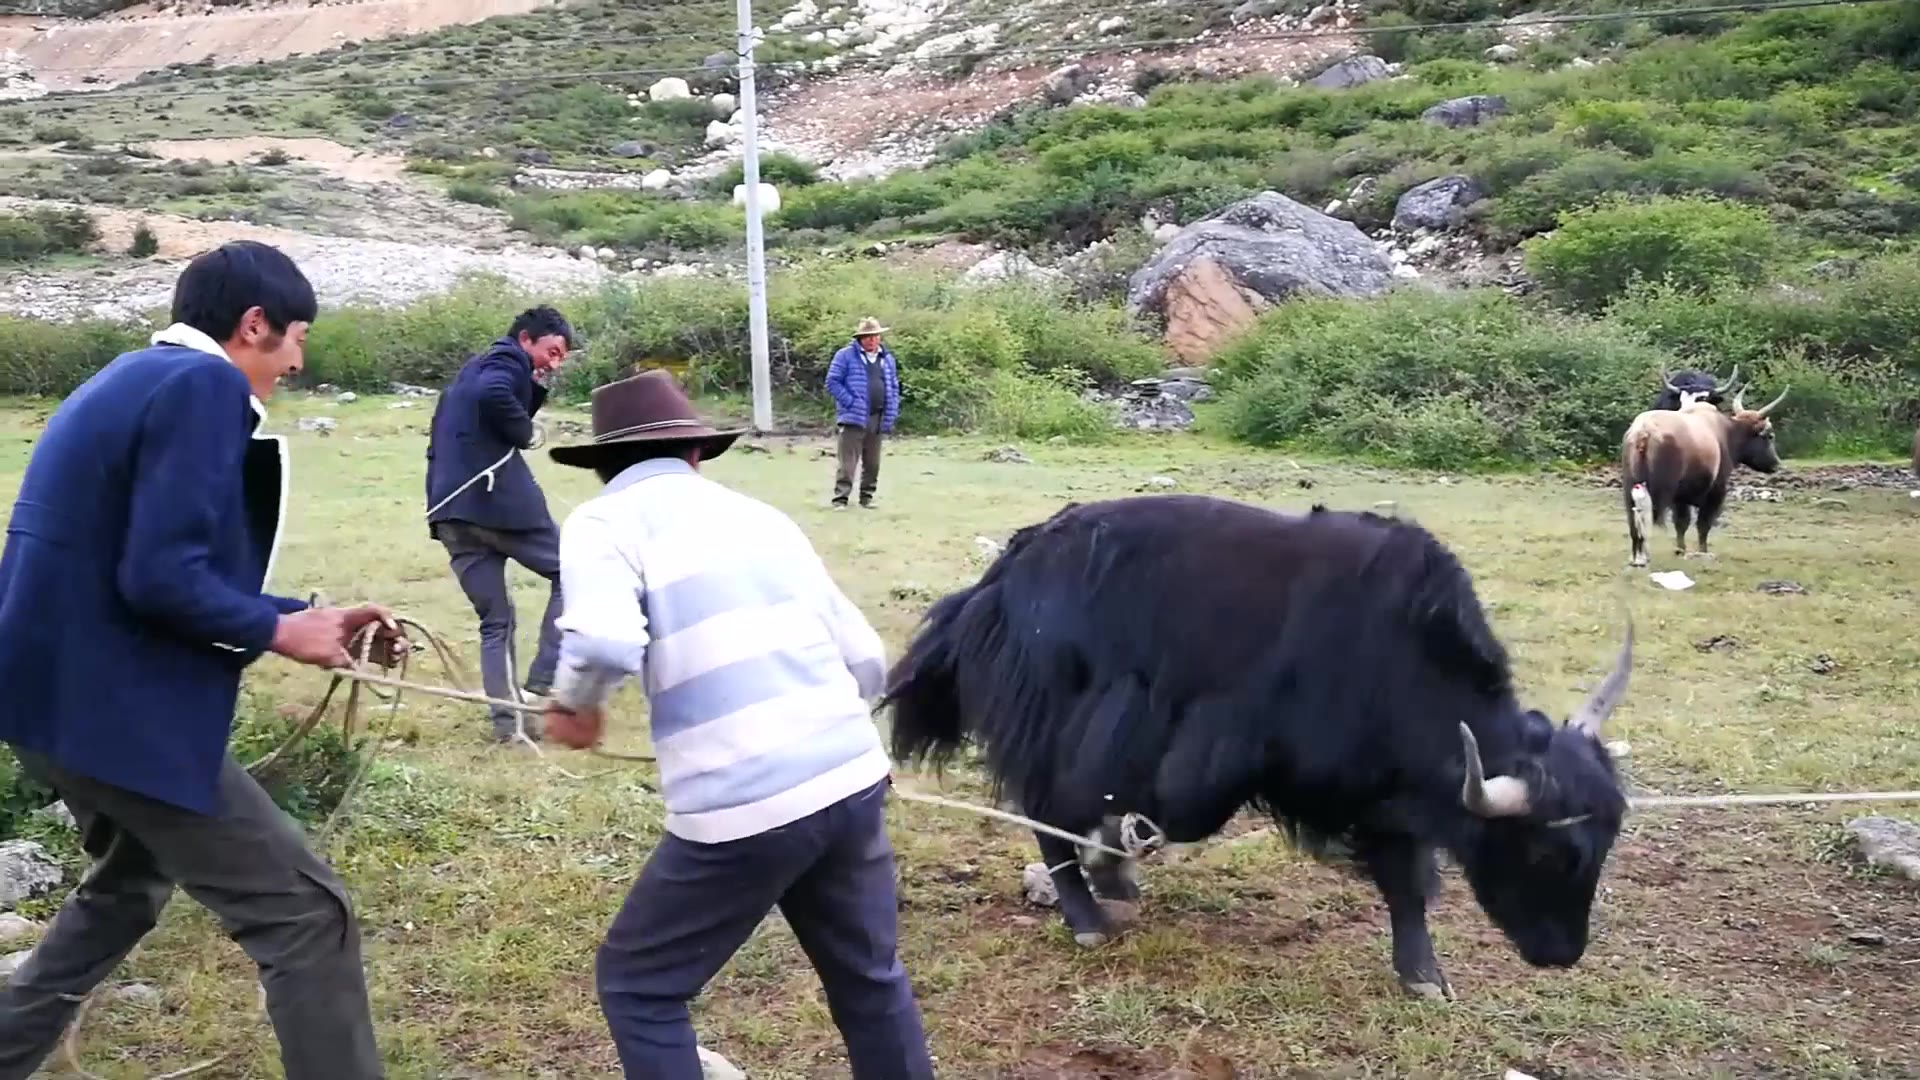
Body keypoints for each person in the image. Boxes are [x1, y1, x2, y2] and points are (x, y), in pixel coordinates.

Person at [0, 240, 402, 1080]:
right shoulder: (201, 385)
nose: (297, 359)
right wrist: (282, 633)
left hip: (56, 708)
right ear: (254, 324)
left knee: (123, 892)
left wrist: (303, 615)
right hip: (115, 716)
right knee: (306, 916)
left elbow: (142, 565)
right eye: (295, 336)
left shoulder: (130, 377)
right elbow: (160, 576)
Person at [539, 370, 935, 1080]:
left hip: (743, 804)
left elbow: (601, 643)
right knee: (869, 980)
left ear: (601, 465)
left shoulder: (601, 522)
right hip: (848, 777)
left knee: (639, 985)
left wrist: (576, 707)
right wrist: (847, 743)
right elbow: (866, 656)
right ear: (694, 453)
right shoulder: (760, 516)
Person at [424, 306, 573, 744]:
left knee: (496, 621)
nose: (555, 362)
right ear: (526, 339)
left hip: (451, 513)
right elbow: (496, 394)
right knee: (574, 574)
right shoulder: (505, 360)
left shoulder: (467, 373)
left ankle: (508, 728)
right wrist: (526, 432)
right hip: (498, 506)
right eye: (551, 351)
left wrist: (536, 385)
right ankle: (539, 685)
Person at [823, 317, 900, 510]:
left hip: (878, 415)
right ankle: (840, 499)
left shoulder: (887, 359)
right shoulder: (845, 355)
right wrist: (851, 402)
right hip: (853, 416)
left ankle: (867, 497)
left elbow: (893, 385)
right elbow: (832, 382)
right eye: (867, 337)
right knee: (848, 462)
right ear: (860, 338)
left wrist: (892, 408)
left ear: (879, 337)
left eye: (874, 336)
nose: (871, 340)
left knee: (873, 463)